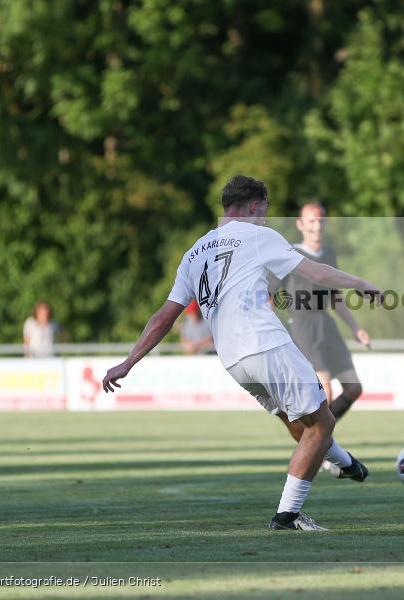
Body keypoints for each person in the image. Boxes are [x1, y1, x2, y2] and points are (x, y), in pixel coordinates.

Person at [101, 175, 380, 531]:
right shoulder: (259, 235)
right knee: (321, 423)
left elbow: (163, 318)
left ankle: (345, 463)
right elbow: (315, 272)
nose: (265, 217)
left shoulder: (194, 252)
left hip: (233, 359)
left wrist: (128, 362)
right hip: (265, 343)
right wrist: (359, 283)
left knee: (300, 424)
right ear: (253, 206)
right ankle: (287, 516)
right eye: (264, 210)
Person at [276, 202, 370, 421]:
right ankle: (316, 447)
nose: (317, 226)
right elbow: (268, 296)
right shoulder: (289, 255)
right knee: (324, 393)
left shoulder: (328, 254)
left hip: (326, 324)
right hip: (302, 326)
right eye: (311, 221)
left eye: (321, 221)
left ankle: (319, 441)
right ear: (300, 224)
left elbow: (335, 296)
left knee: (353, 388)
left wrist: (356, 328)